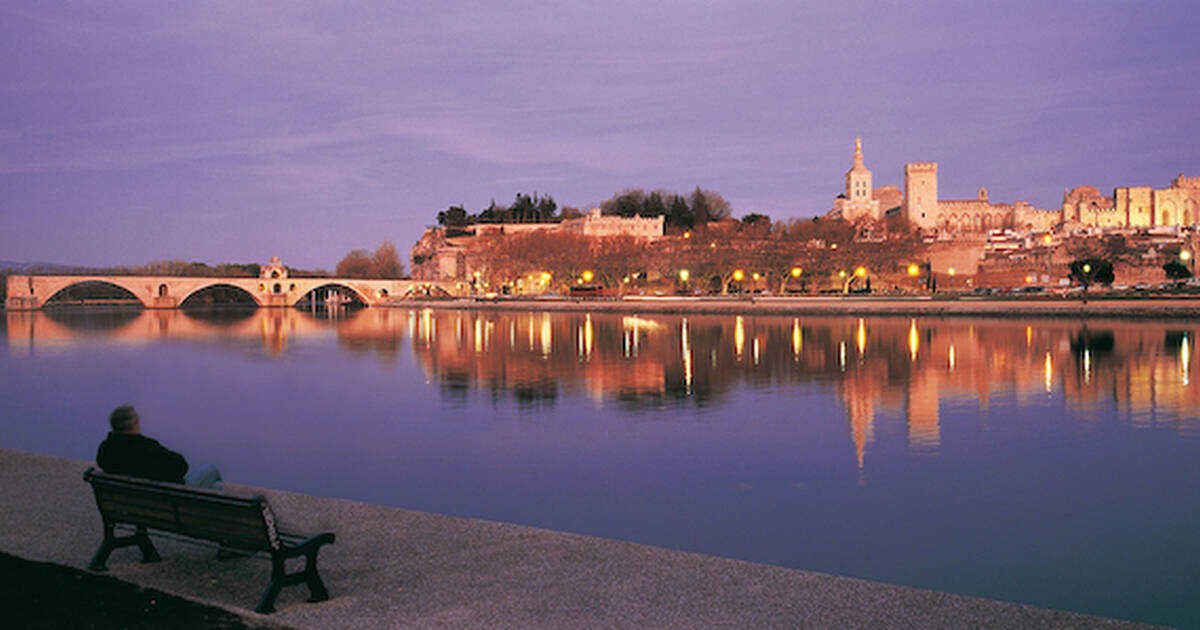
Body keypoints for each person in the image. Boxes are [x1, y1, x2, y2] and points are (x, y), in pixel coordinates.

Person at [97, 405, 222, 489]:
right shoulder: (147, 447)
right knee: (211, 469)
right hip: (171, 501)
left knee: (216, 487)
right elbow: (181, 466)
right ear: (135, 424)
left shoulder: (105, 449)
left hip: (134, 503)